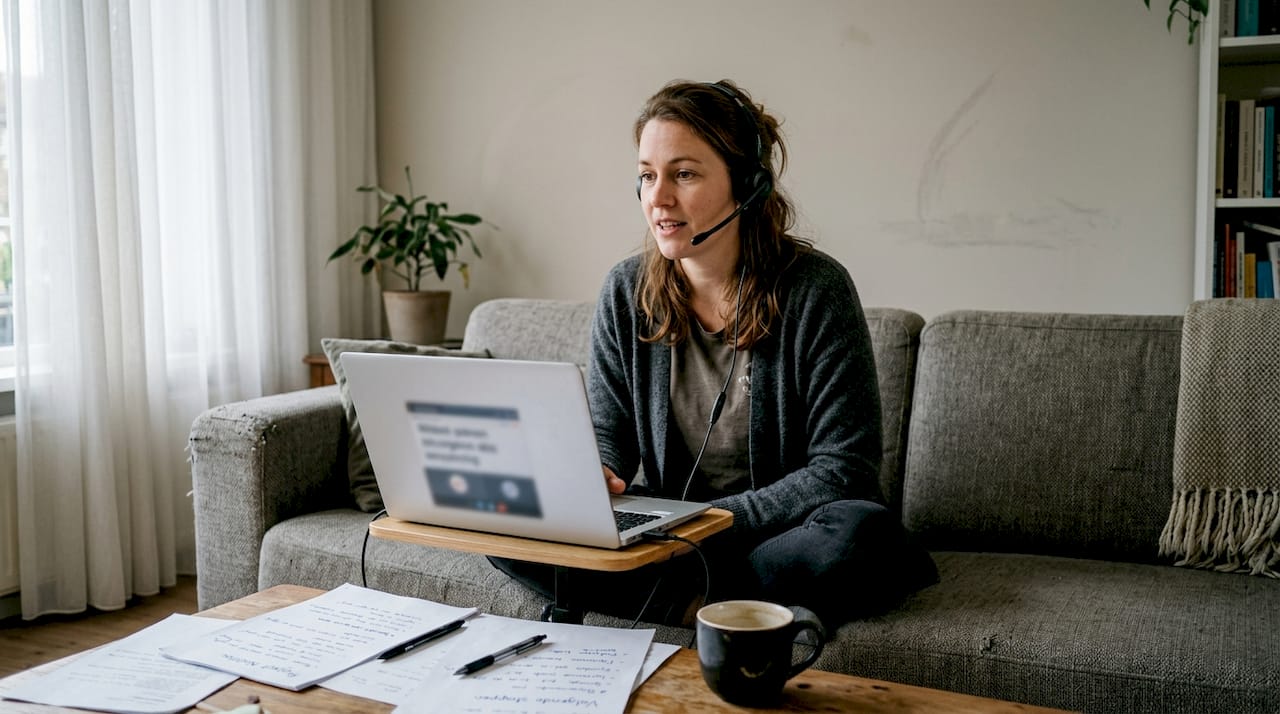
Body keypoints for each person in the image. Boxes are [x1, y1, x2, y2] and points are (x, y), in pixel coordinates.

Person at [491, 79, 935, 628]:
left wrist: (709, 522)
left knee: (856, 534)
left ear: (746, 183)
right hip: (670, 534)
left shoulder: (817, 291)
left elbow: (845, 471)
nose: (658, 198)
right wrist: (591, 478)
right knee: (500, 525)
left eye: (684, 174)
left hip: (772, 533)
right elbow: (611, 434)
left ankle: (678, 596)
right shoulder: (626, 291)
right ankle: (711, 606)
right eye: (647, 176)